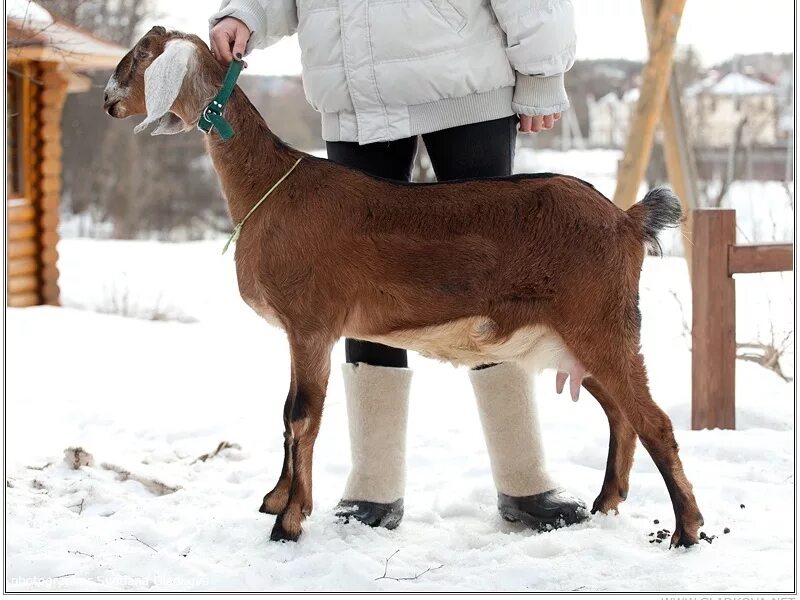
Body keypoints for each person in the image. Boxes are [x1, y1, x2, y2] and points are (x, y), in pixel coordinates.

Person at [209, 0, 587, 531]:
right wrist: (244, 14)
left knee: (489, 286)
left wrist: (544, 73)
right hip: (353, 101)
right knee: (359, 291)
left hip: (464, 86)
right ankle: (374, 485)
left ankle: (525, 479)